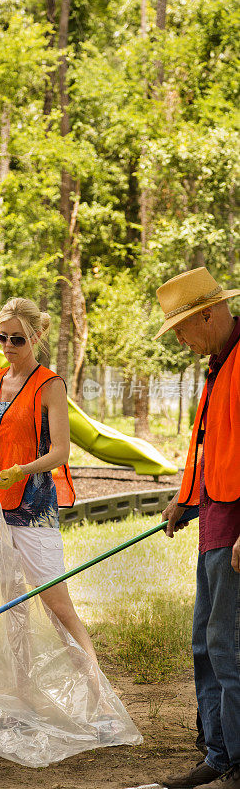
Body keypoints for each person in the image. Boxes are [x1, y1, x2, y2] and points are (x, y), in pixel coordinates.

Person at [0, 297, 99, 664]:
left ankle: (96, 692)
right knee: (13, 605)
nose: (8, 346)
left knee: (57, 604)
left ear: (37, 336)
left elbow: (61, 452)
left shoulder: (49, 385)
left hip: (33, 510)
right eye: (2, 338)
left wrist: (21, 470)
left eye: (18, 339)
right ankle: (25, 693)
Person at [155, 268, 240, 789]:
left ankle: (232, 757)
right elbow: (213, 444)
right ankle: (218, 748)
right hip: (213, 519)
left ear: (207, 314)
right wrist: (185, 500)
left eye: (183, 329)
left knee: (227, 643)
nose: (182, 342)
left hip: (234, 530)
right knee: (205, 643)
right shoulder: (218, 362)